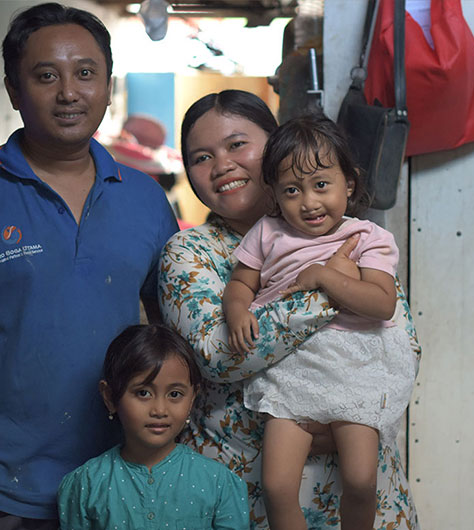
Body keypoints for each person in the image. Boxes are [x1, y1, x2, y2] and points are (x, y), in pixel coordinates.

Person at [0, 4, 179, 528]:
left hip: (126, 484)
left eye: (86, 73)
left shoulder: (147, 201)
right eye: (46, 76)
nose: (69, 92)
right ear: (13, 89)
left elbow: (171, 335)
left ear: (108, 85)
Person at [158, 90, 422, 529]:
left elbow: (401, 336)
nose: (222, 164)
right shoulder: (189, 252)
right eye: (202, 157)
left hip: (362, 487)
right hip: (251, 494)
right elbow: (219, 356)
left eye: (237, 144)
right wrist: (330, 281)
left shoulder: (356, 234)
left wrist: (349, 409)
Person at [222, 115, 418, 530]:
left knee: (362, 479)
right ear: (274, 194)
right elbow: (241, 280)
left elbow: (382, 304)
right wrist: (237, 307)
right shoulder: (268, 231)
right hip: (291, 370)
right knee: (276, 486)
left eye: (321, 185)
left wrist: (325, 276)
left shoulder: (369, 238)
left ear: (349, 183)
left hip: (354, 365)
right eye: (292, 190)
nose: (309, 202)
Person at [57, 324, 250, 529]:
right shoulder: (86, 485)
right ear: (110, 397)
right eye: (143, 393)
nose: (159, 410)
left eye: (175, 394)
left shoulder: (219, 484)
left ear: (192, 398)